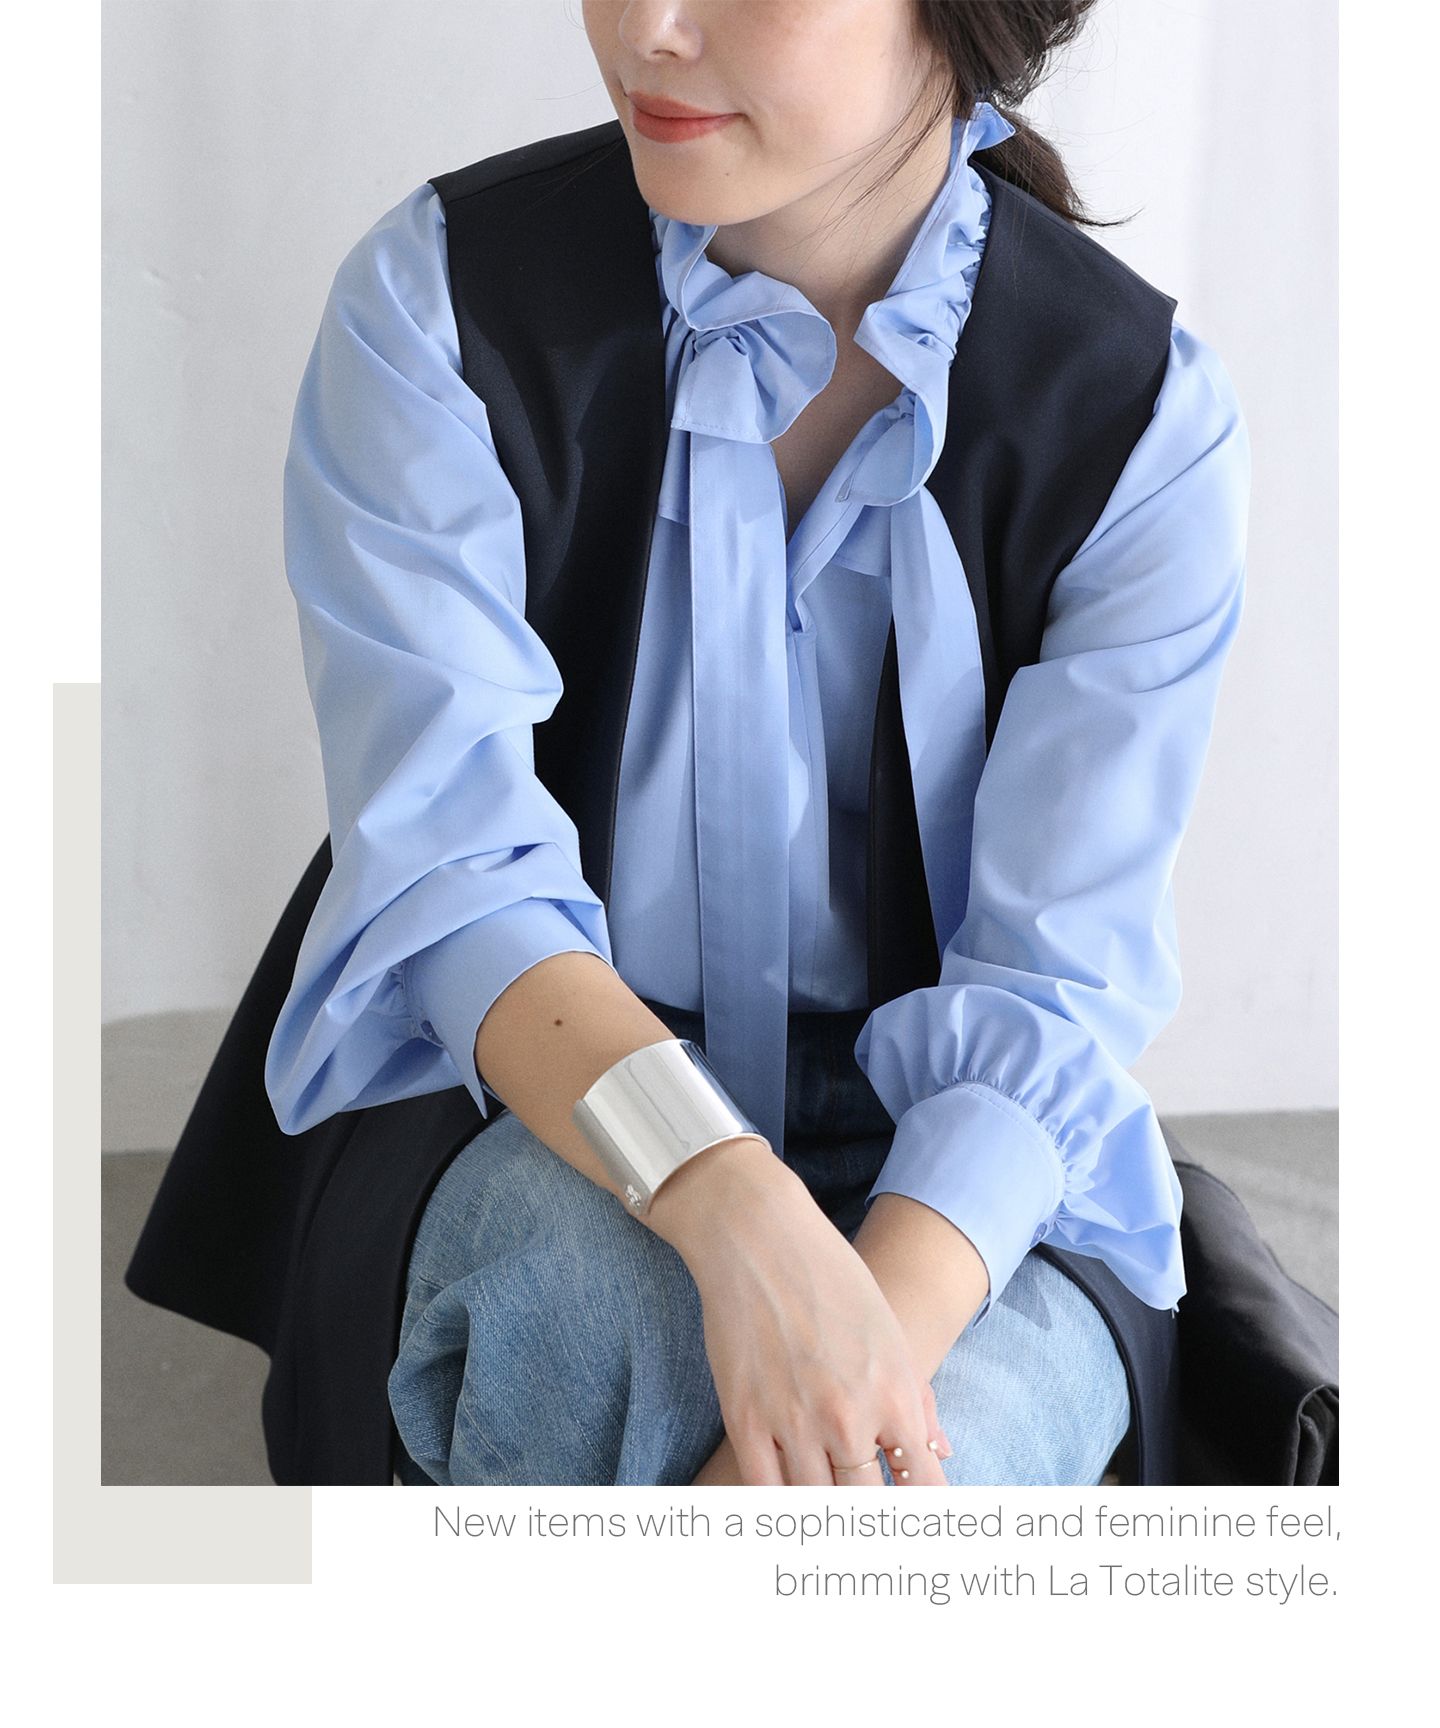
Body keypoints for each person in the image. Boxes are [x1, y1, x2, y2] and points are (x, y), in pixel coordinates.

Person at [264, 0, 1250, 1488]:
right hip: (540, 1088)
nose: (651, 28)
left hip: (965, 1164)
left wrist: (846, 1391)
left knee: (916, 1487)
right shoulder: (440, 307)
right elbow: (457, 878)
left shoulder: (1139, 420)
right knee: (606, 1336)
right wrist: (734, 1205)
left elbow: (1052, 992)